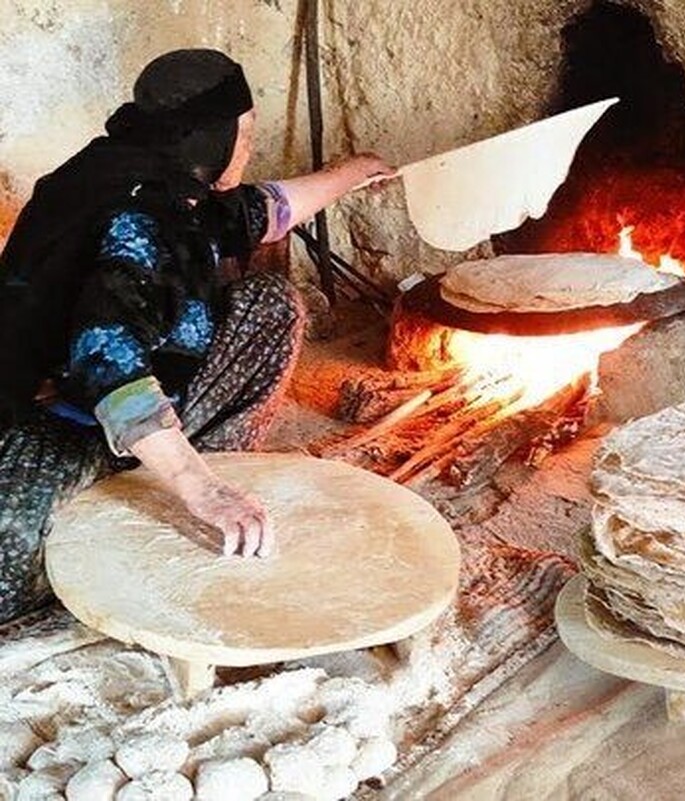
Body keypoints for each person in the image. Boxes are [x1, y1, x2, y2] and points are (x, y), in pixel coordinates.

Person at [0, 49, 395, 623]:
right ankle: (195, 482)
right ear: (208, 136)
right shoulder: (140, 219)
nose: (250, 144)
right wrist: (198, 489)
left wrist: (352, 172)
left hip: (128, 394)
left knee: (270, 304)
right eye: (246, 131)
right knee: (12, 583)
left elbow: (263, 211)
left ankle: (198, 467)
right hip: (53, 419)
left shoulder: (158, 173)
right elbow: (105, 351)